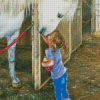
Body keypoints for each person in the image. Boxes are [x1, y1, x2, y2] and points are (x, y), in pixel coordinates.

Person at [41, 30, 70, 100]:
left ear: (51, 41)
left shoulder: (50, 51)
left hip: (57, 76)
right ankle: (66, 98)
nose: (48, 35)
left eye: (50, 35)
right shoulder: (56, 48)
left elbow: (51, 62)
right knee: (63, 89)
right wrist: (41, 34)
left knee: (58, 92)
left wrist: (44, 64)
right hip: (63, 73)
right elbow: (48, 41)